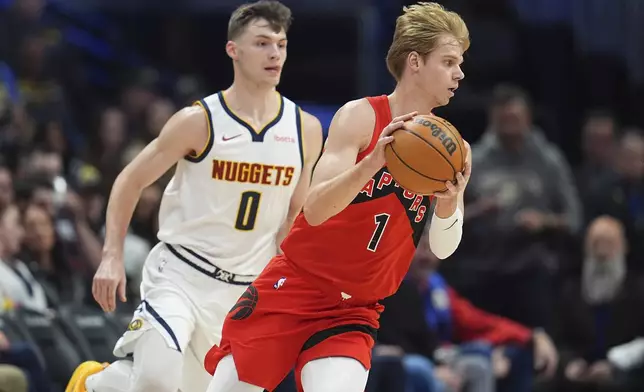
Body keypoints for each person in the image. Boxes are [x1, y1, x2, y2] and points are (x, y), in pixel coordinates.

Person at [204, 2, 471, 392]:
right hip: (296, 285)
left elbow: (444, 249)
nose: (459, 73)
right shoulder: (360, 117)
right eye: (449, 62)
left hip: (356, 309)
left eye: (460, 63)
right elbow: (313, 210)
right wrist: (371, 164)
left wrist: (449, 203)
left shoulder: (455, 150)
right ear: (415, 61)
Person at [65, 1, 323, 391]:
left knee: (190, 386)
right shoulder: (199, 121)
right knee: (156, 379)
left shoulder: (305, 129)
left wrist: (293, 288)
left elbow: (292, 218)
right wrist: (111, 256)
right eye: (262, 43)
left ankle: (98, 385)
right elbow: (130, 180)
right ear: (233, 50)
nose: (275, 54)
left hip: (246, 288)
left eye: (282, 44)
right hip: (181, 274)